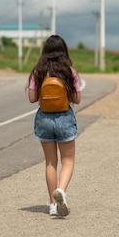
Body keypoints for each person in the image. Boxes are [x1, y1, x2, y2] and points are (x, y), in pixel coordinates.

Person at [27, 35, 81, 217]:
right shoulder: (69, 71)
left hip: (43, 118)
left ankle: (52, 204)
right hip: (65, 117)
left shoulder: (38, 71)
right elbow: (77, 99)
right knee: (68, 161)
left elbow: (32, 98)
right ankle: (62, 192)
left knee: (50, 162)